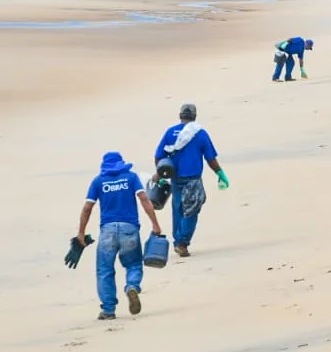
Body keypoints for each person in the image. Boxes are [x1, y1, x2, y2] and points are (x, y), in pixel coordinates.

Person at [72, 151, 164, 320]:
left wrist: (81, 233)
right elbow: (144, 199)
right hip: (129, 229)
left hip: (107, 231)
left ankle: (108, 310)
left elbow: (87, 208)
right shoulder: (131, 177)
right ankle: (132, 286)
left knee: (105, 270)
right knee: (134, 264)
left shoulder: (98, 181)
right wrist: (155, 224)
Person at [152, 103, 228, 257]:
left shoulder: (170, 132)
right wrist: (220, 173)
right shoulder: (199, 133)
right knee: (192, 210)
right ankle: (182, 242)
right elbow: (210, 158)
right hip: (192, 178)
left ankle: (178, 239)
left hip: (174, 178)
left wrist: (160, 175)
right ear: (194, 117)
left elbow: (158, 156)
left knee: (178, 208)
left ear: (180, 116)